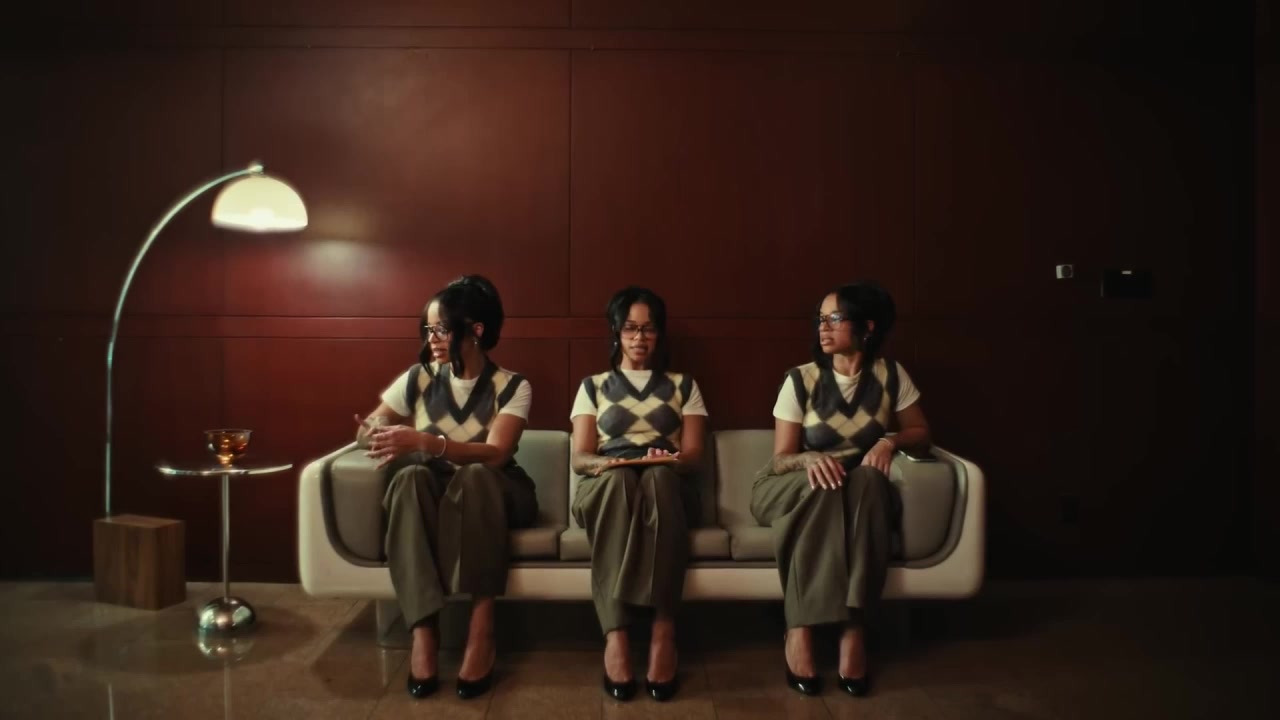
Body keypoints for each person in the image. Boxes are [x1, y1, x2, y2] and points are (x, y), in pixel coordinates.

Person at [358, 275, 537, 700]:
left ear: (475, 330)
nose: (431, 339)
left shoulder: (513, 385)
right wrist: (375, 431)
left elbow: (495, 453)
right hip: (437, 488)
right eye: (428, 329)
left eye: (441, 328)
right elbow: (368, 428)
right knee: (410, 478)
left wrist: (426, 442)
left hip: (498, 490)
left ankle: (481, 630)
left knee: (475, 475)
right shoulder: (418, 378)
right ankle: (423, 631)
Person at [751, 281, 931, 698]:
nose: (823, 327)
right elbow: (780, 459)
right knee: (824, 482)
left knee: (869, 480)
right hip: (790, 487)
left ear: (867, 326)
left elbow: (921, 431)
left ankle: (854, 631)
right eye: (820, 319)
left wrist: (889, 442)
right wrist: (809, 459)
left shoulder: (890, 375)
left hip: (852, 491)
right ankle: (800, 629)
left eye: (835, 318)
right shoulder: (801, 379)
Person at [569, 287, 708, 702]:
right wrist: (606, 464)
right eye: (630, 328)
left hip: (668, 484)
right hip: (607, 483)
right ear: (616, 332)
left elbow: (695, 455)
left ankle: (664, 631)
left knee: (657, 480)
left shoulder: (684, 385)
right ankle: (616, 636)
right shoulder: (593, 386)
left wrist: (670, 461)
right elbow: (580, 457)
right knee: (620, 483)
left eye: (648, 329)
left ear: (659, 334)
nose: (639, 337)